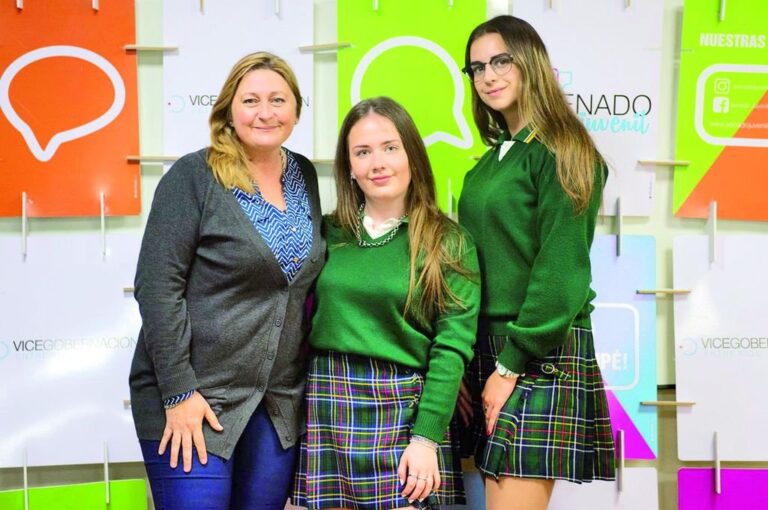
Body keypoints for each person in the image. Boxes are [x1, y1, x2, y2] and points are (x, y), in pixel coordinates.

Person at [129, 52, 325, 510]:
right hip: (195, 398)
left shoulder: (305, 175)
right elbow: (157, 288)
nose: (265, 112)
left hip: (275, 405)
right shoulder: (194, 176)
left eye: (278, 99)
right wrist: (179, 392)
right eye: (251, 99)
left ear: (296, 110)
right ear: (228, 110)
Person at [457, 15, 616, 510]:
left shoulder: (563, 149)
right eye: (477, 66)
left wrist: (509, 365)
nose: (488, 75)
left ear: (531, 62)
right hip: (487, 349)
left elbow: (562, 273)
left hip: (535, 355)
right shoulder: (492, 160)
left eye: (501, 60)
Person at [292, 96, 480, 510]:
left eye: (390, 148)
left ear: (412, 153)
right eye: (362, 152)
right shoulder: (327, 233)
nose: (377, 163)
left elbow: (451, 349)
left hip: (404, 414)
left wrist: (426, 437)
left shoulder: (448, 241)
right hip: (327, 405)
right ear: (350, 167)